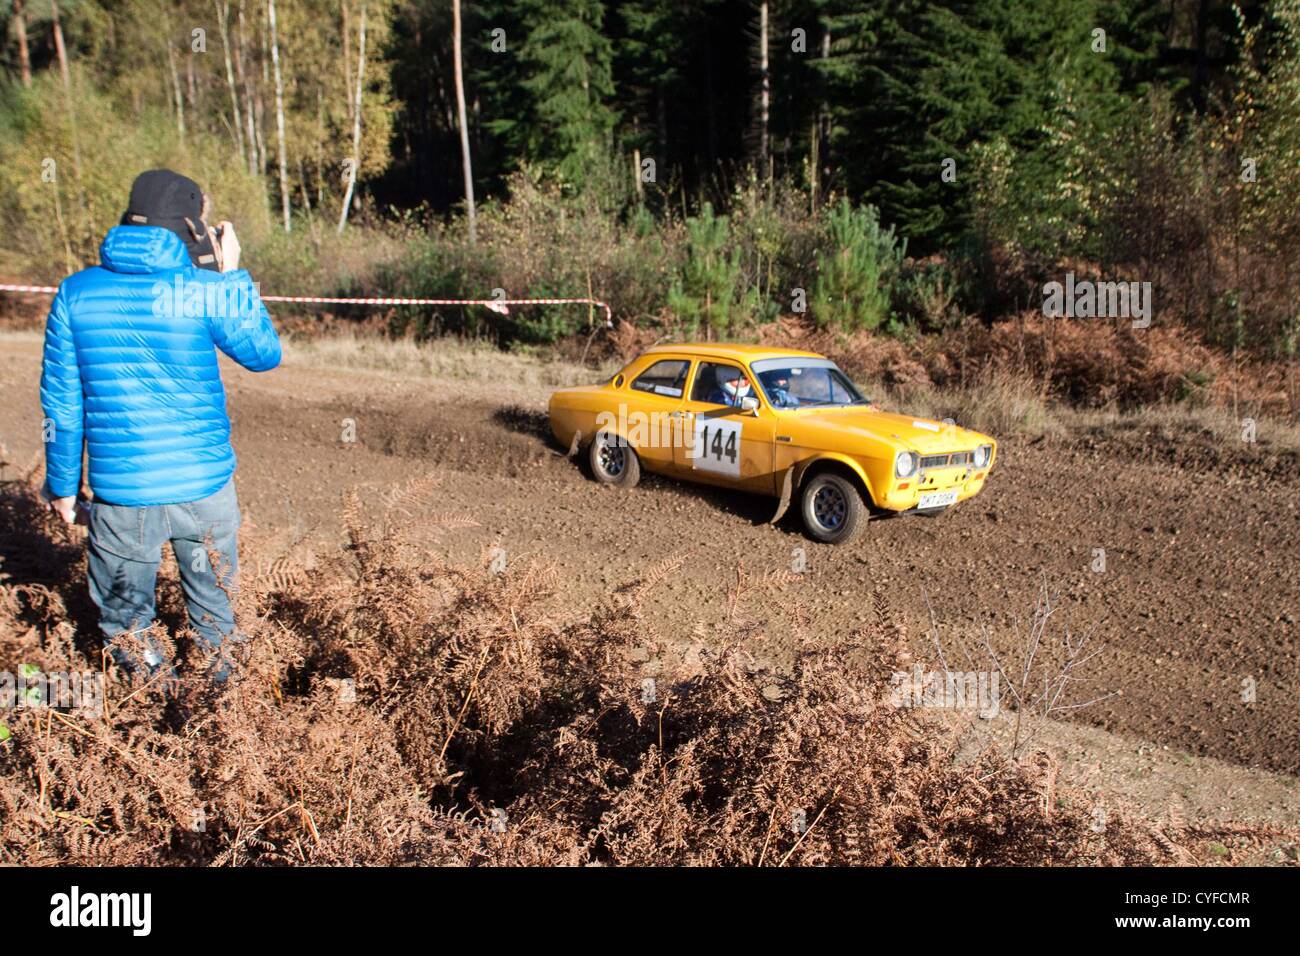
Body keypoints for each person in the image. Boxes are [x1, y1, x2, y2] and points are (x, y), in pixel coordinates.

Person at [39, 169, 281, 681]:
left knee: (130, 627)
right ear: (195, 230)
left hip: (121, 498)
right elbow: (263, 354)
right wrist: (230, 273)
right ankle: (224, 726)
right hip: (204, 489)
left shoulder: (75, 293)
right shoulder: (201, 289)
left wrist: (61, 488)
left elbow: (62, 406)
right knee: (218, 620)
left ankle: (151, 723)